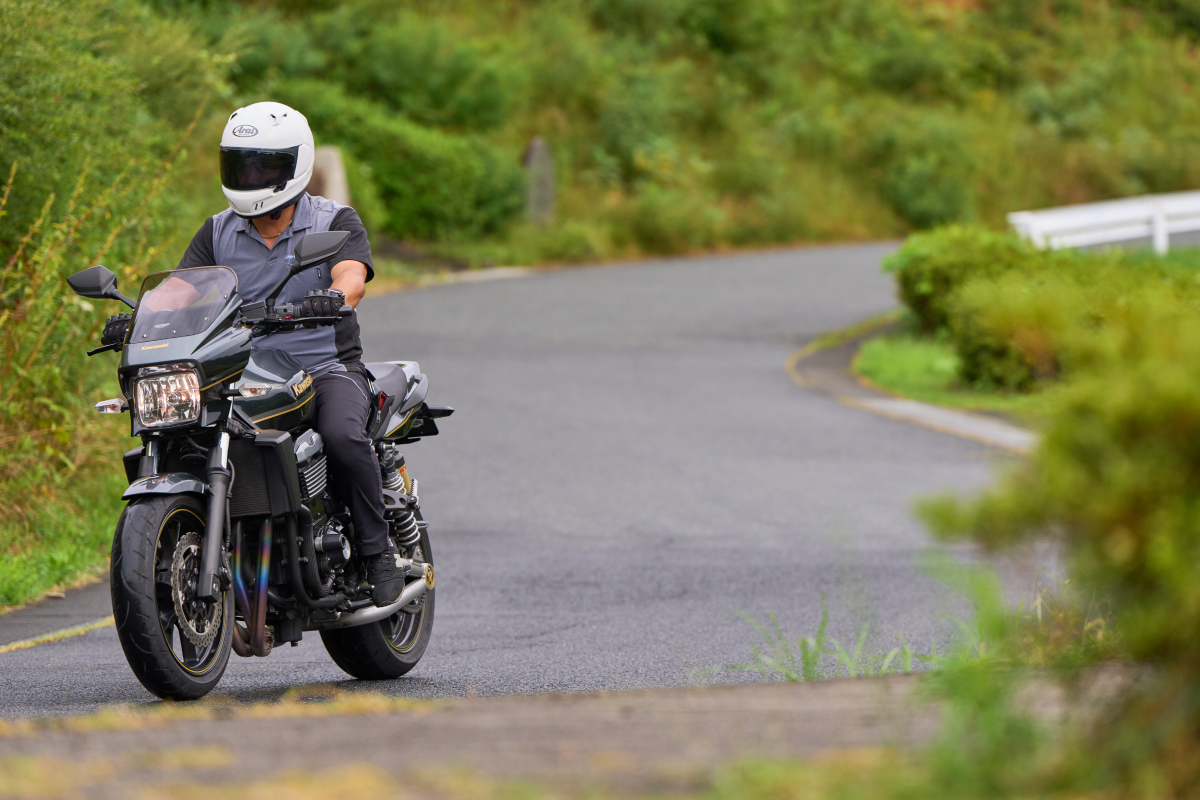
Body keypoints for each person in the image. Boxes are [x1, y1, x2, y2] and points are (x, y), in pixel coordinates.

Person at [102, 102, 405, 607]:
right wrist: (143, 316)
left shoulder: (333, 219)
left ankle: (377, 555)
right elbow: (182, 289)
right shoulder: (218, 230)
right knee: (186, 431)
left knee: (342, 435)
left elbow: (351, 275)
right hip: (247, 370)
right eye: (242, 164)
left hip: (324, 367)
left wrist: (334, 296)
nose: (252, 176)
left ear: (294, 165)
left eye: (264, 165)